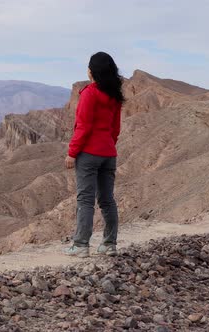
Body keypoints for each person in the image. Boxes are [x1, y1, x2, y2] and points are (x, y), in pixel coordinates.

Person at [63, 51, 125, 258]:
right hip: (109, 153)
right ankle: (109, 244)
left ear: (91, 71)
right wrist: (108, 145)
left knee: (85, 200)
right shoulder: (114, 95)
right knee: (107, 200)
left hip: (89, 153)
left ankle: (81, 245)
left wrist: (72, 153)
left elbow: (83, 127)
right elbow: (115, 128)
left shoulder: (89, 93)